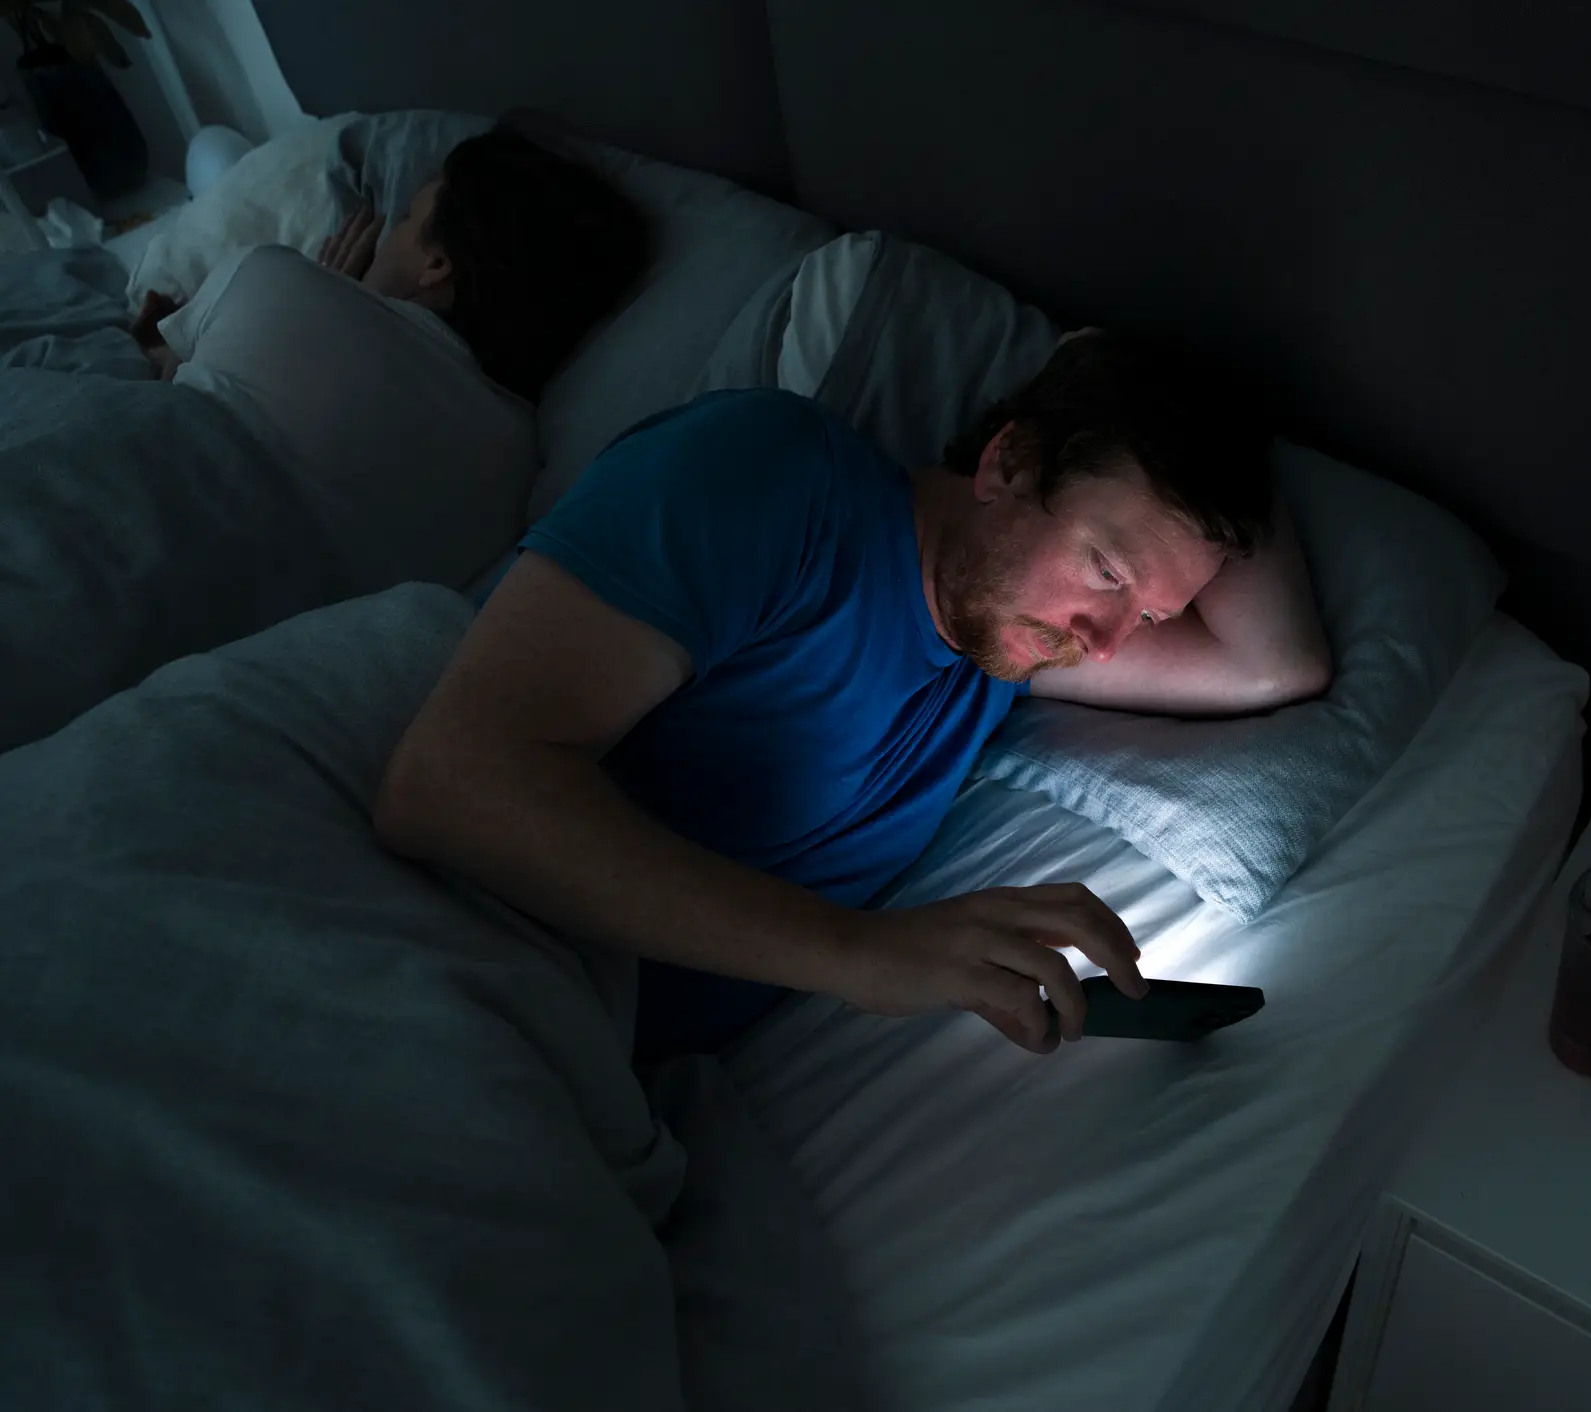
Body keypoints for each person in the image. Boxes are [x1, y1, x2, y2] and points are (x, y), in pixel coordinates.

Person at [373, 332, 1333, 1055]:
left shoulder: (1005, 649)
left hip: (584, 1054)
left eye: (1152, 617)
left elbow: (1274, 665)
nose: (1107, 640)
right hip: (429, 967)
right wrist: (859, 953)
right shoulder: (771, 478)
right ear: (1009, 464)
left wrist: (1224, 444)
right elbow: (453, 781)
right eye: (1108, 572)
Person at [126, 128, 649, 587]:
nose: (385, 235)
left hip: (132, 515)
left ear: (436, 263)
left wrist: (327, 289)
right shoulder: (516, 474)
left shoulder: (270, 277)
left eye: (405, 218)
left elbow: (164, 381)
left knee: (211, 147)